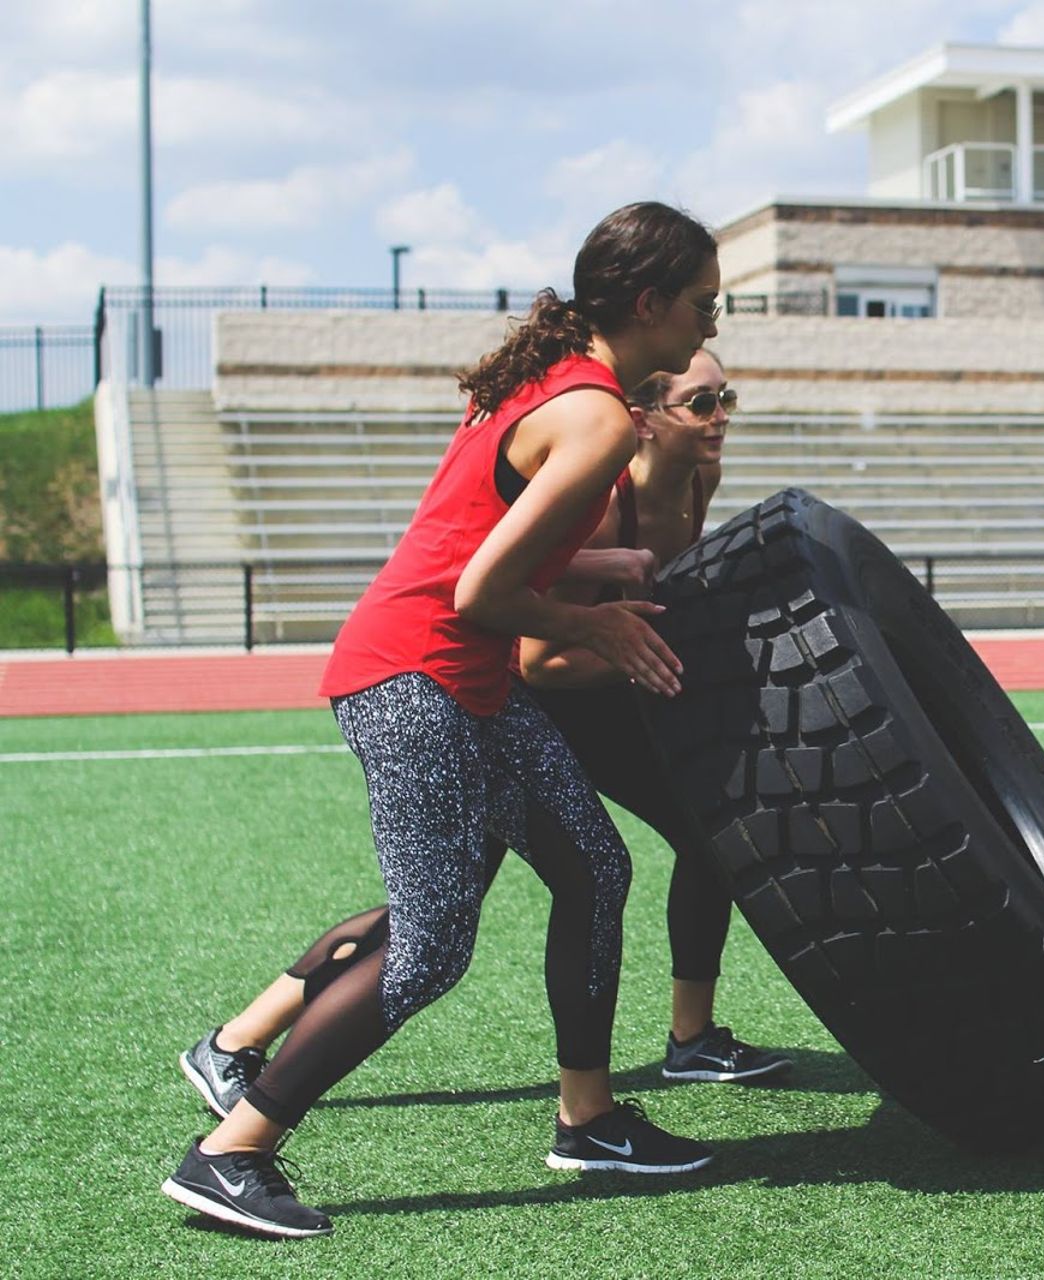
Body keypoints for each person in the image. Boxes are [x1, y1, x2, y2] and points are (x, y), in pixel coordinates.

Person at [161, 201, 720, 1240]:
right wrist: (591, 624)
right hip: (412, 678)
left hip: (462, 681)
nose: (709, 324)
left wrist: (597, 569)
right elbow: (477, 593)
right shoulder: (598, 419)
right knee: (429, 948)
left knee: (595, 867)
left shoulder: (559, 381)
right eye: (702, 304)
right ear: (648, 303)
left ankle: (586, 1115)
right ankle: (231, 1147)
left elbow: (474, 537)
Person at [178, 350, 786, 1142]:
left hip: (527, 700)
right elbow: (524, 636)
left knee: (585, 873)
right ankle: (236, 1087)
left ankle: (650, 1068)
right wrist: (627, 637)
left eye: (723, 398)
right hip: (508, 696)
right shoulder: (597, 476)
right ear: (646, 417)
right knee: (432, 927)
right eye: (701, 402)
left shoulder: (688, 478)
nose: (719, 417)